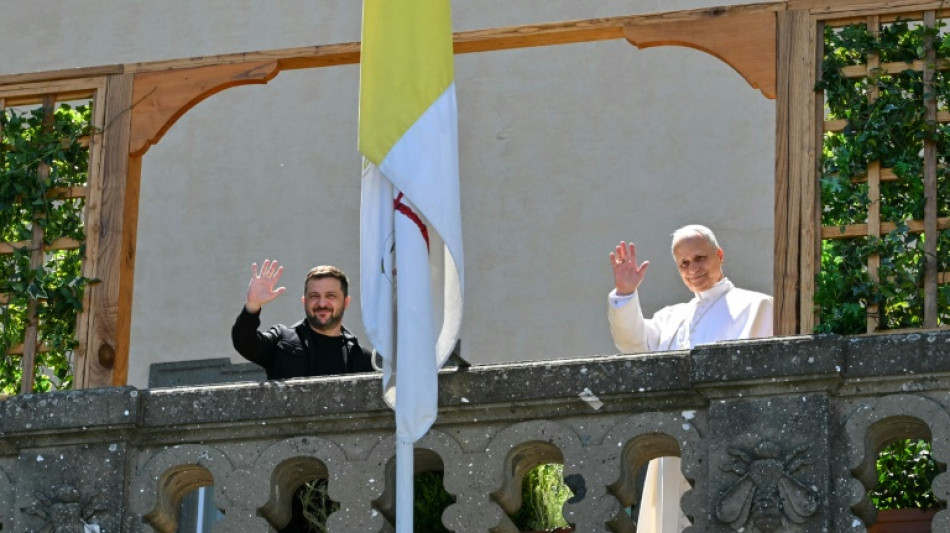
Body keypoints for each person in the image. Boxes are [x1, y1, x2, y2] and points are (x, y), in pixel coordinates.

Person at [606, 224, 773, 532]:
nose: (693, 268)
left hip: (730, 444)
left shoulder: (758, 306)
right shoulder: (671, 317)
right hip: (674, 446)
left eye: (700, 258)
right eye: (684, 263)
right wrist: (626, 294)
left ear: (719, 255)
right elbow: (633, 344)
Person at [231, 259, 374, 380]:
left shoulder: (362, 359)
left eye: (330, 296)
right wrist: (252, 306)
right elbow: (244, 343)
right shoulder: (282, 342)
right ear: (304, 301)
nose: (322, 303)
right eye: (314, 296)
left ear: (346, 303)